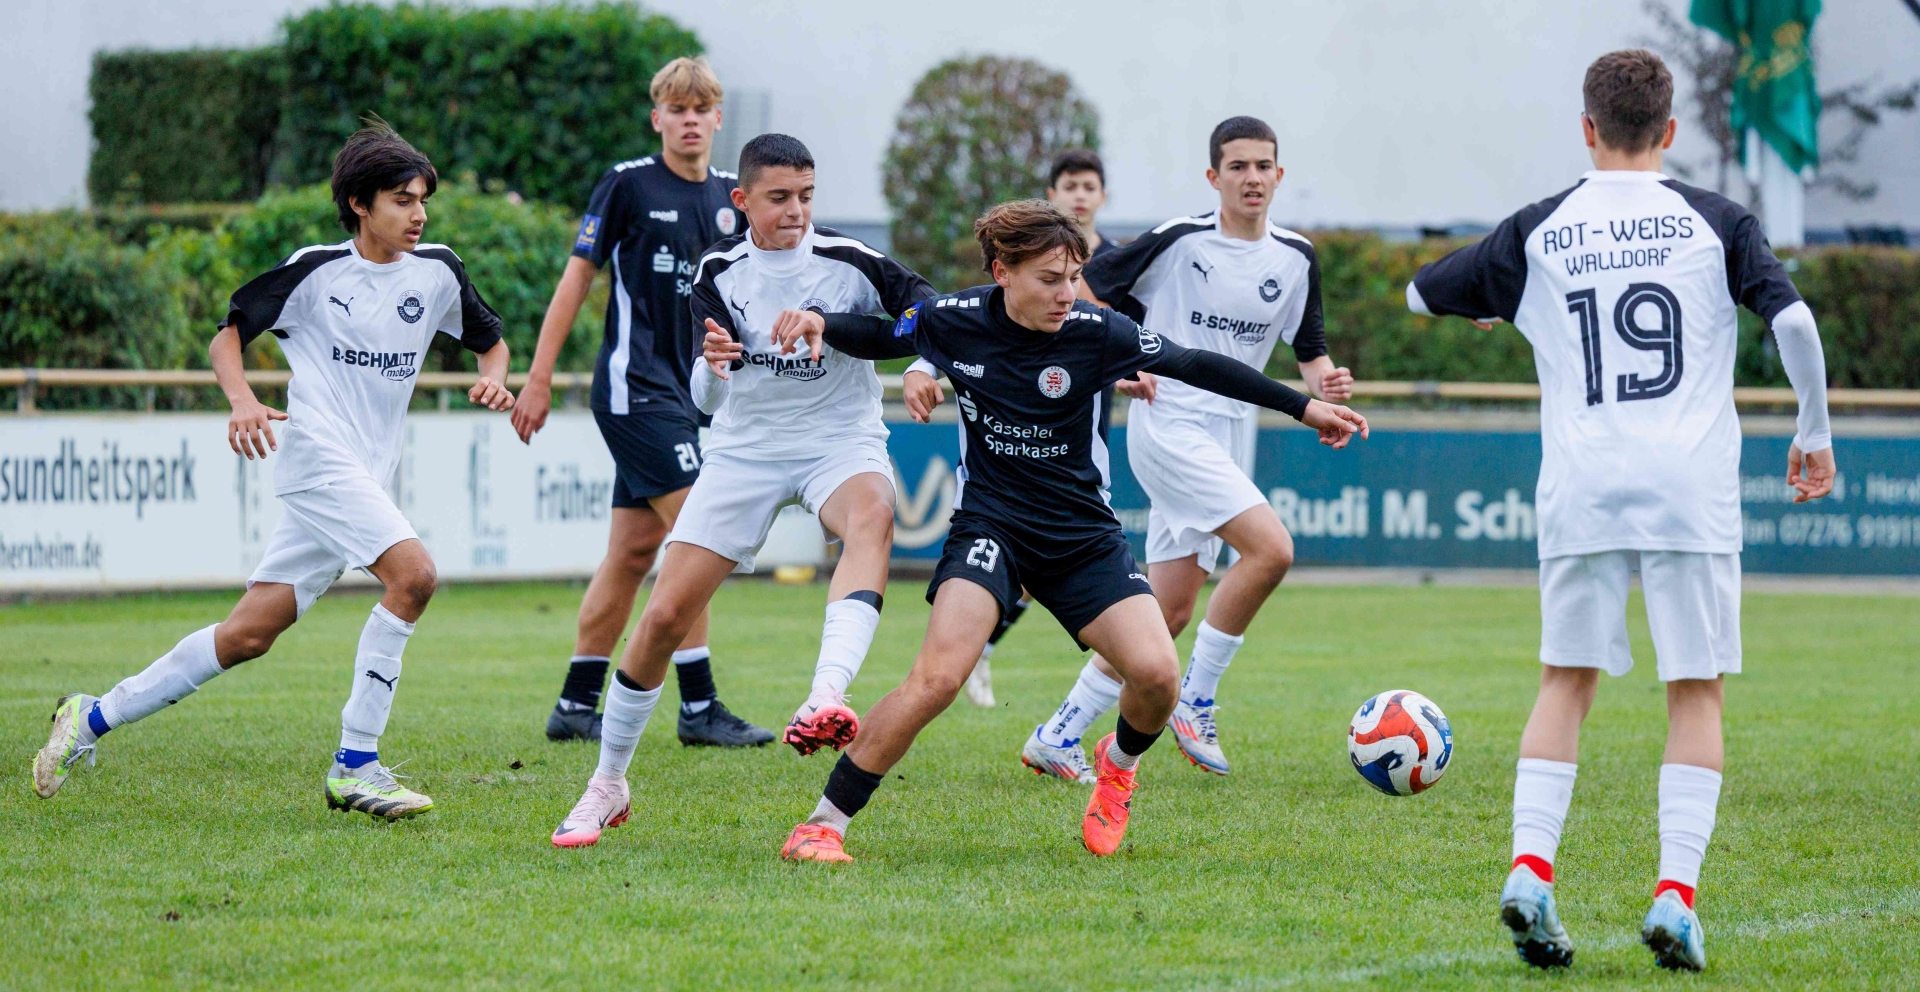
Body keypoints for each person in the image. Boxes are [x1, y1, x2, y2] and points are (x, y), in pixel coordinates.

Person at [774, 199, 1369, 864]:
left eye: (1074, 277)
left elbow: (1196, 363)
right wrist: (823, 322)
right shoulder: (953, 319)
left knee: (1157, 677)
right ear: (1002, 272)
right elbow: (885, 334)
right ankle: (821, 826)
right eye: (1050, 279)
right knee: (936, 679)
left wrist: (1304, 407)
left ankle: (1117, 767)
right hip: (992, 527)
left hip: (1082, 534)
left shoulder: (1098, 331)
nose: (1067, 293)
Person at [1407, 50, 1834, 974]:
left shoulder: (1540, 228)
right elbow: (1795, 323)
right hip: (1689, 487)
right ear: (1670, 131)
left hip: (1583, 483)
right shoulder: (1718, 219)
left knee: (1565, 681)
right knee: (1696, 690)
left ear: (1587, 128)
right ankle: (1675, 896)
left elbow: (1423, 290)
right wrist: (1814, 431)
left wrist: (1495, 303)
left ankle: (1530, 871)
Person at [32, 120, 514, 820]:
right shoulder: (316, 272)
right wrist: (243, 400)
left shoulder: (437, 270)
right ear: (360, 204)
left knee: (248, 635)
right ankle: (356, 765)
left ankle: (91, 716)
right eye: (402, 200)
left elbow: (491, 340)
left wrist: (493, 377)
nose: (419, 215)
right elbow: (226, 336)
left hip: (364, 475)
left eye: (422, 202)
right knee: (414, 577)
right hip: (317, 458)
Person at [549, 133, 934, 848]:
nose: (797, 211)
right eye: (779, 198)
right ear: (742, 200)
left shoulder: (850, 260)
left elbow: (926, 316)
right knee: (664, 616)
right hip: (744, 452)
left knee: (873, 518)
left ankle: (826, 693)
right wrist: (713, 365)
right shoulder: (718, 270)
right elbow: (705, 395)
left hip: (838, 442)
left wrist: (910, 362)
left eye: (806, 196)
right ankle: (607, 784)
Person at [1018, 116, 1356, 784]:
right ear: (1214, 176)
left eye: (1264, 166)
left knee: (1167, 612)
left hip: (1233, 428)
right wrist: (1114, 359)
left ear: (1279, 175)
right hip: (1170, 421)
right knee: (1272, 550)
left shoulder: (1296, 257)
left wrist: (1329, 384)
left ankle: (1057, 735)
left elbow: (1310, 352)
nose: (1253, 178)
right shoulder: (1178, 239)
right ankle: (1196, 698)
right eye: (1238, 166)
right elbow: (1082, 289)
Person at [512, 56, 772, 748]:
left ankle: (575, 705)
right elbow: (576, 280)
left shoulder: (730, 197)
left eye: (701, 110)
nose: (690, 121)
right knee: (701, 532)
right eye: (676, 109)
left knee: (631, 555)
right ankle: (699, 707)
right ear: (658, 118)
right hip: (635, 390)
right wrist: (538, 378)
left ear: (718, 118)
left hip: (692, 398)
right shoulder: (627, 184)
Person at [946, 148, 1124, 709]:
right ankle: (979, 644)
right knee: (1028, 551)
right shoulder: (1023, 262)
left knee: (1049, 555)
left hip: (1084, 429)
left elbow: (1130, 334)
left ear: (1102, 196)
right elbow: (947, 327)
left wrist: (1132, 363)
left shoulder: (1118, 259)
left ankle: (984, 644)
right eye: (1070, 185)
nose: (1080, 195)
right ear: (1053, 196)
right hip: (1017, 437)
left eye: (1089, 186)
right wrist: (923, 369)